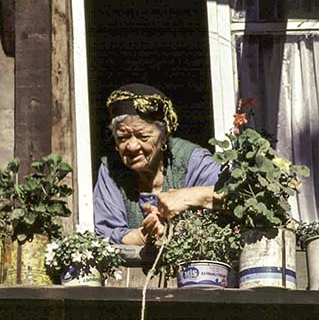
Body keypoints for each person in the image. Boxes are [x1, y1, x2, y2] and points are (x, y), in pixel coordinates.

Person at [93, 83, 223, 245]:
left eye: (143, 136)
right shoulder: (111, 169)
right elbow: (106, 237)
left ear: (163, 136)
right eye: (122, 137)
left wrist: (189, 196)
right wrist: (145, 234)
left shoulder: (193, 160)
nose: (132, 146)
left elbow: (237, 197)